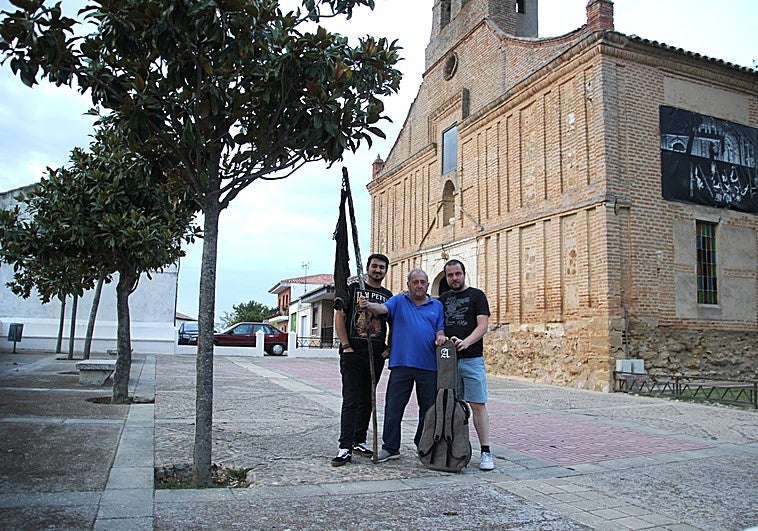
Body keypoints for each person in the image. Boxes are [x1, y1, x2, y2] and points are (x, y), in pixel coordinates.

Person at [361, 268, 446, 462]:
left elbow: (440, 329)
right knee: (393, 407)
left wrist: (441, 337)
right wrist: (368, 305)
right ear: (408, 285)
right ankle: (390, 448)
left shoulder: (437, 305)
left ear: (427, 284)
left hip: (429, 365)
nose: (419, 285)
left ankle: (423, 445)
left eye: (422, 282)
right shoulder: (399, 301)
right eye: (414, 282)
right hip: (401, 364)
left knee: (428, 410)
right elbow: (383, 309)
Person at [331, 253, 392, 466]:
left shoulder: (387, 295)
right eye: (374, 266)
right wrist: (346, 345)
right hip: (353, 352)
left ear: (386, 271)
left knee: (368, 400)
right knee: (351, 400)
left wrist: (389, 348)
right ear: (367, 268)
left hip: (375, 355)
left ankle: (359, 440)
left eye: (381, 267)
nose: (377, 270)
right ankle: (344, 447)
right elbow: (340, 316)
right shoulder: (353, 289)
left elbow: (395, 322)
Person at [438, 259, 495, 471]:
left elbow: (483, 326)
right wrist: (442, 337)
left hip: (472, 359)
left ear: (464, 274)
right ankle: (456, 449)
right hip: (449, 363)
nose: (454, 278)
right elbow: (438, 325)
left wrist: (466, 342)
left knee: (478, 405)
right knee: (453, 407)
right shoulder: (442, 299)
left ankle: (486, 452)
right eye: (450, 275)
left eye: (457, 274)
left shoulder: (477, 296)